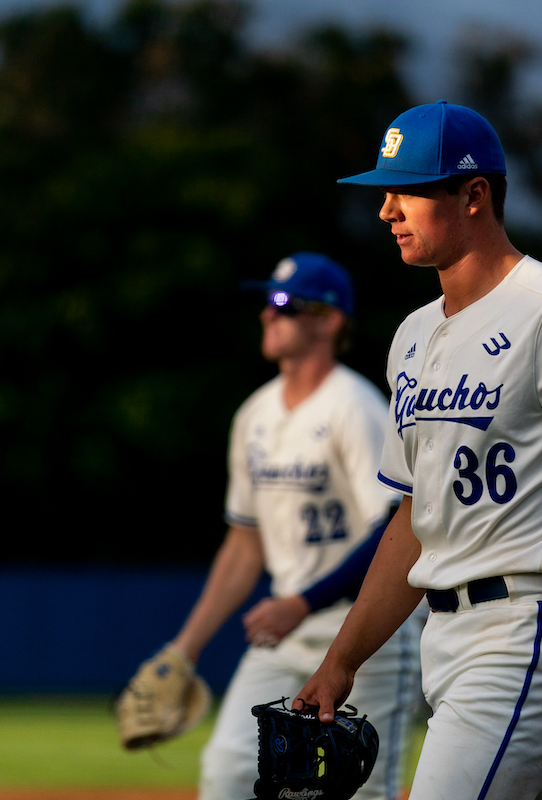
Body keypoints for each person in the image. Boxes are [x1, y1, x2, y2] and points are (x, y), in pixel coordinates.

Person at [294, 100, 542, 800]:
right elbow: (413, 522)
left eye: (410, 190)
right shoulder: (414, 337)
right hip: (447, 641)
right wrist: (341, 661)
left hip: (531, 632)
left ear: (474, 194)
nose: (388, 209)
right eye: (385, 192)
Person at [166, 252, 421, 800]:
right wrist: (185, 648)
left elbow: (394, 528)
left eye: (284, 304)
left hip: (365, 630)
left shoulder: (356, 407)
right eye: (266, 303)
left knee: (359, 791)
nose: (268, 314)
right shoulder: (254, 415)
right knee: (229, 773)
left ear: (329, 321)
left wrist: (302, 601)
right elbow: (243, 545)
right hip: (285, 632)